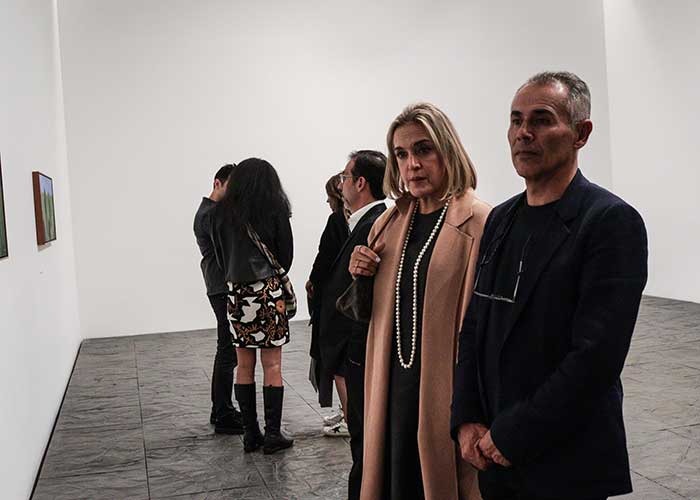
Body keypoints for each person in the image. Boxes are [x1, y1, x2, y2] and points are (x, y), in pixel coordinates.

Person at [450, 72, 648, 500]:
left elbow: (595, 358)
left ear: (581, 133)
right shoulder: (501, 219)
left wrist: (513, 433)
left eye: (541, 120)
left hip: (565, 459)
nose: (524, 133)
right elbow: (475, 324)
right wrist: (466, 417)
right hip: (493, 453)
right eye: (516, 120)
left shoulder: (609, 222)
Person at [350, 103, 490, 500]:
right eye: (401, 154)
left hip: (446, 388)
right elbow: (369, 314)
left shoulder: (480, 221)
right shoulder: (388, 223)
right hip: (391, 385)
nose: (412, 164)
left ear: (448, 150)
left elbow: (487, 325)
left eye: (424, 150)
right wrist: (360, 275)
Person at [211, 158, 295, 455]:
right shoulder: (275, 208)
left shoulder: (220, 213)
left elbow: (220, 258)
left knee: (243, 365)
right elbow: (286, 255)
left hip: (236, 294)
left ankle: (250, 434)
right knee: (272, 365)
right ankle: (272, 435)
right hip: (268, 292)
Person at [319, 150, 388, 499]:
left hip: (356, 349)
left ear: (360, 183)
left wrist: (344, 353)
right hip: (352, 350)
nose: (341, 183)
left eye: (345, 176)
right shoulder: (363, 221)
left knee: (364, 438)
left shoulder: (375, 224)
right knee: (361, 436)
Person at [193, 163, 243, 434]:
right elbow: (228, 250)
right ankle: (223, 413)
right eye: (231, 188)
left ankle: (220, 410)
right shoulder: (210, 215)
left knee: (227, 347)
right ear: (217, 183)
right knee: (227, 349)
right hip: (221, 286)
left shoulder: (211, 212)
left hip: (219, 284)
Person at [306, 173, 350, 431]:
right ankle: (348, 414)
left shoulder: (336, 221)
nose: (327, 201)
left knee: (337, 363)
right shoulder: (361, 220)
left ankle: (350, 418)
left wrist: (312, 281)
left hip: (335, 301)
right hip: (348, 300)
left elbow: (324, 257)